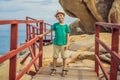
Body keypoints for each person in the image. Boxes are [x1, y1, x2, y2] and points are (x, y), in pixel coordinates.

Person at [39, 10, 70, 77]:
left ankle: (64, 69)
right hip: (56, 44)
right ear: (56, 18)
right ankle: (54, 69)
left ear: (63, 16)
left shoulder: (66, 26)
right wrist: (42, 34)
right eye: (58, 16)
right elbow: (49, 30)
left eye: (61, 15)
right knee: (55, 57)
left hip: (63, 44)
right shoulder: (55, 25)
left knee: (64, 57)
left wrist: (67, 44)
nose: (59, 17)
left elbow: (67, 35)